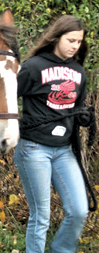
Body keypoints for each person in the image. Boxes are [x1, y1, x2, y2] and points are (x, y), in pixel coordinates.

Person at [14, 15, 95, 253]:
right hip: (33, 148)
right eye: (70, 40)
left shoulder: (79, 72)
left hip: (63, 151)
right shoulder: (32, 67)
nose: (74, 46)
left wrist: (83, 117)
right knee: (41, 216)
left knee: (79, 210)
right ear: (56, 37)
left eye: (78, 42)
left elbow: (76, 106)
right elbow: (6, 101)